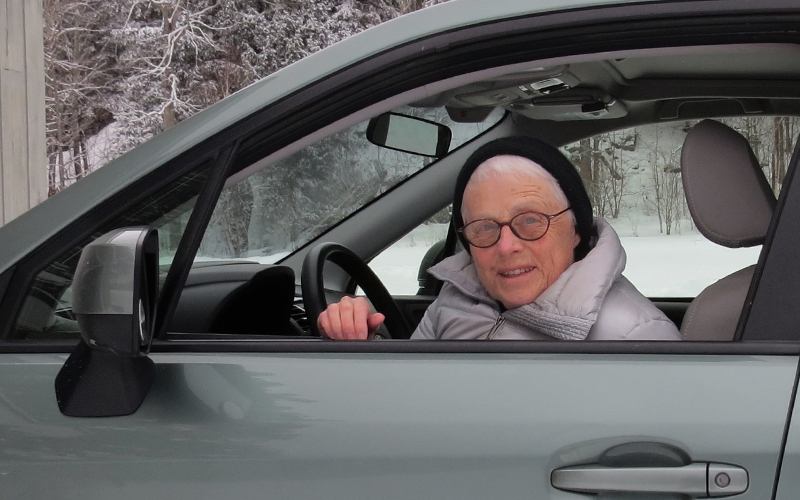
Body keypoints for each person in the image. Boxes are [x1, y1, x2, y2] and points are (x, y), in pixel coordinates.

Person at [318, 136, 681, 341]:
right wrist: (364, 342)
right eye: (484, 228)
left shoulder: (636, 336)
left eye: (530, 220)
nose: (506, 246)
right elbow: (411, 398)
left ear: (575, 230)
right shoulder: (455, 296)